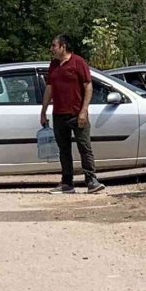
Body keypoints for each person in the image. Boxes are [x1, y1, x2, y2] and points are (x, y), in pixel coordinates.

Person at [39, 35, 105, 194]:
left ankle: (91, 180)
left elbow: (88, 86)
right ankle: (67, 182)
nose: (52, 49)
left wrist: (84, 111)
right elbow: (49, 88)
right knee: (64, 149)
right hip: (59, 114)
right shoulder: (54, 65)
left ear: (63, 46)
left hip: (77, 113)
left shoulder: (78, 62)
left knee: (84, 147)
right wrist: (43, 111)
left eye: (54, 45)